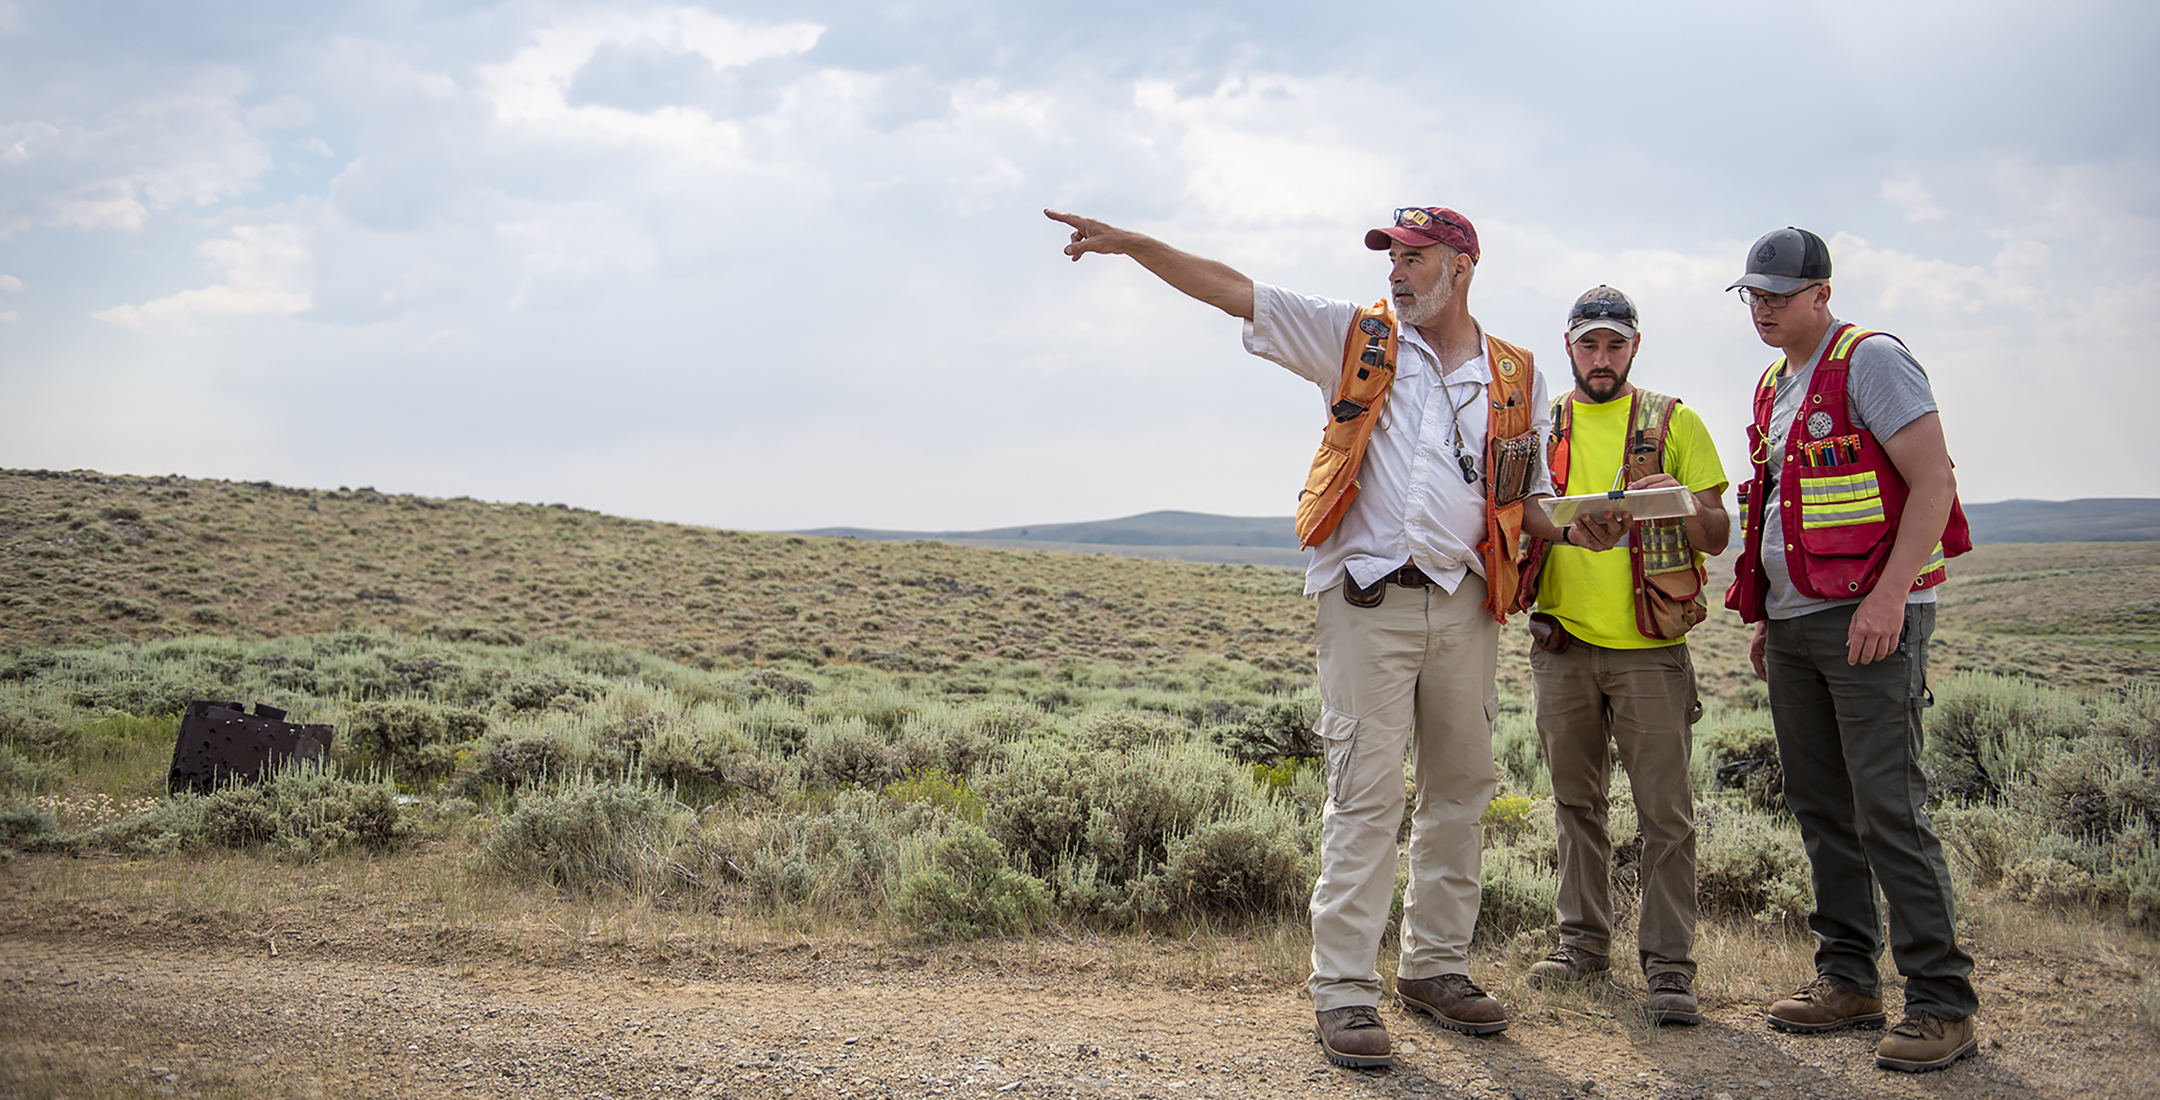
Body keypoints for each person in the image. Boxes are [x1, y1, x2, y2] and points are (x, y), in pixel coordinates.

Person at [1046, 205, 1565, 1068]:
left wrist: (1586, 525)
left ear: (1461, 267)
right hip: (1368, 602)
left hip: (1469, 605)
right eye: (1391, 258)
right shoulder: (1355, 337)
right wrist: (1137, 247)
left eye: (1415, 258)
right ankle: (1345, 990)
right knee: (1365, 793)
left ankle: (1435, 968)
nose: (1396, 273)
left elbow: (1530, 496)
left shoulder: (1517, 373)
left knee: (1461, 789)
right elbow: (1235, 294)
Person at [1724, 227, 1980, 1073]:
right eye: (1752, 295)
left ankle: (1941, 1002)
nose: (1761, 308)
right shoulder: (1772, 382)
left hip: (1871, 617)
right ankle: (1848, 978)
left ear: (1822, 293)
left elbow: (1934, 479)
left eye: (1778, 295)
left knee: (1887, 807)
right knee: (1820, 801)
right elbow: (1780, 509)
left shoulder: (1871, 360)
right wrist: (1766, 617)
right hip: (1797, 624)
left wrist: (1889, 597)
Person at [1513, 286, 1728, 1026]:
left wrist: (1686, 503)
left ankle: (1670, 970)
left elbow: (1716, 535)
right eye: (1588, 345)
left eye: (1614, 344)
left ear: (1635, 346)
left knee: (1665, 814)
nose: (1600, 358)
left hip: (1650, 652)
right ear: (1568, 346)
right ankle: (1582, 949)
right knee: (1577, 805)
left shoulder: (1676, 421)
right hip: (1562, 645)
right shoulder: (1541, 427)